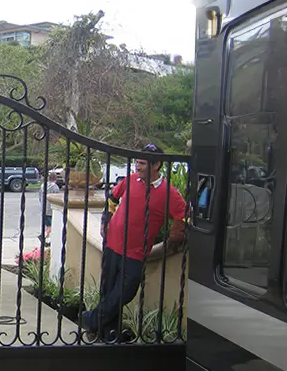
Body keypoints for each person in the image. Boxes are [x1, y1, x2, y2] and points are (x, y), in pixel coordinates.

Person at [81, 144, 187, 342]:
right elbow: (112, 199)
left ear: (157, 165)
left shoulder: (169, 192)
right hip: (112, 244)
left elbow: (184, 214)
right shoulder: (130, 180)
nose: (137, 167)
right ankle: (109, 334)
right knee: (108, 291)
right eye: (137, 162)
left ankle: (90, 319)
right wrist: (106, 219)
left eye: (142, 163)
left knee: (125, 292)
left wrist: (176, 232)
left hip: (135, 253)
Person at [38, 172, 61, 245]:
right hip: (51, 209)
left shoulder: (42, 186)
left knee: (49, 225)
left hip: (44, 208)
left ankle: (45, 237)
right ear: (55, 178)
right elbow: (57, 199)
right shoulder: (55, 187)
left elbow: (40, 197)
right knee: (52, 226)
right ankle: (43, 236)